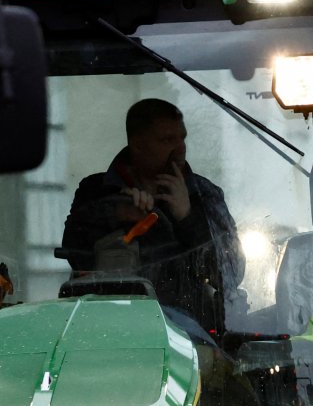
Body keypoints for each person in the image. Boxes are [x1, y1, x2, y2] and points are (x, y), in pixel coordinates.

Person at [62, 98, 245, 330]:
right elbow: (73, 251)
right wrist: (116, 214)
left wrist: (187, 217)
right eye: (168, 140)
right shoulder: (94, 191)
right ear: (137, 144)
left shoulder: (205, 195)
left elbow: (231, 273)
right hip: (106, 329)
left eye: (182, 138)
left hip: (188, 334)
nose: (180, 148)